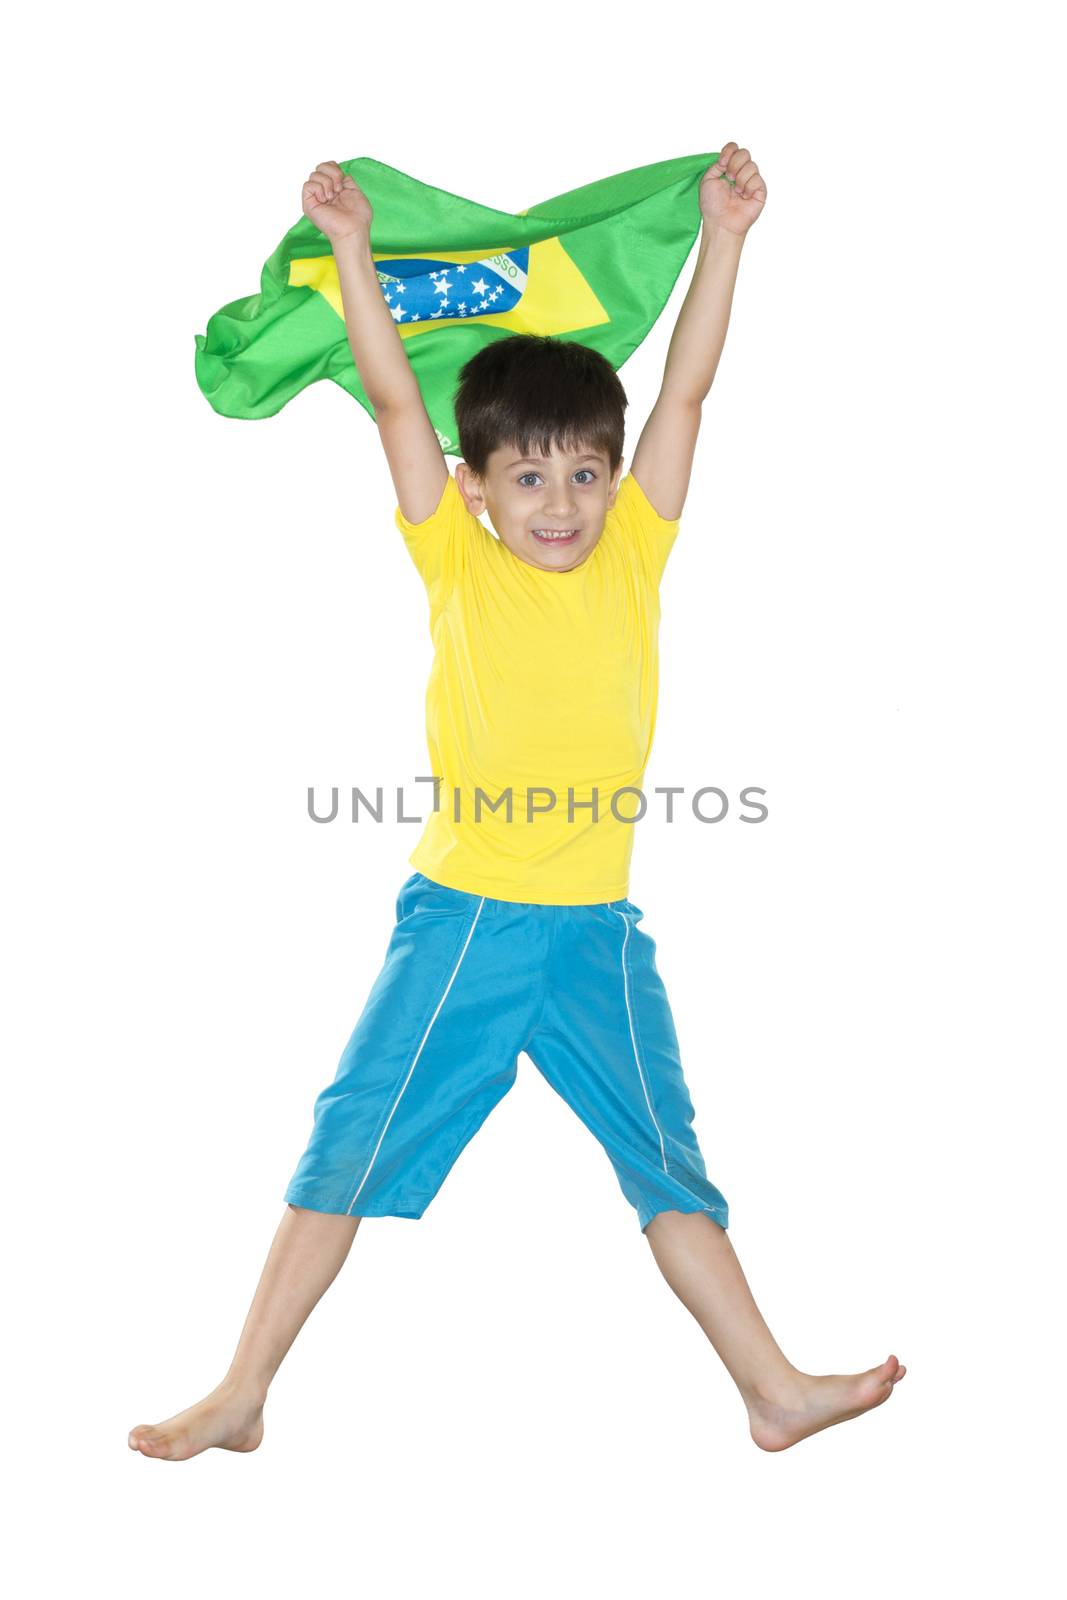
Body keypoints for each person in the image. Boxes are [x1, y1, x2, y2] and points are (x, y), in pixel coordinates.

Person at [129, 143, 905, 1462]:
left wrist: (726, 237)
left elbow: (689, 392)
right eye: (529, 479)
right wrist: (358, 252)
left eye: (585, 474)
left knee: (671, 1164)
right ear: (475, 484)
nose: (562, 502)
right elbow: (388, 399)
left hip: (598, 933)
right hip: (472, 922)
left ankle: (772, 1392)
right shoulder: (456, 559)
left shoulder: (638, 550)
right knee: (351, 1143)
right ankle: (244, 1387)